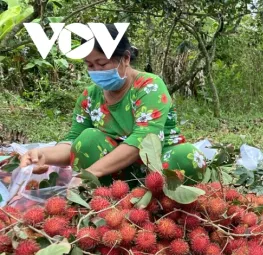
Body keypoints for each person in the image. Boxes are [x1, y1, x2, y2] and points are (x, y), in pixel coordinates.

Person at [20, 25, 207, 185]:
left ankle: (158, 199)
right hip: (115, 172)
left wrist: (92, 172)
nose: (96, 71)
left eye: (102, 63)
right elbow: (73, 142)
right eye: (90, 65)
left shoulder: (149, 86)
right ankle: (107, 200)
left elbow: (143, 139)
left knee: (187, 156)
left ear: (125, 59)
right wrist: (43, 155)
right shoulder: (90, 96)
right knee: (87, 139)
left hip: (157, 163)